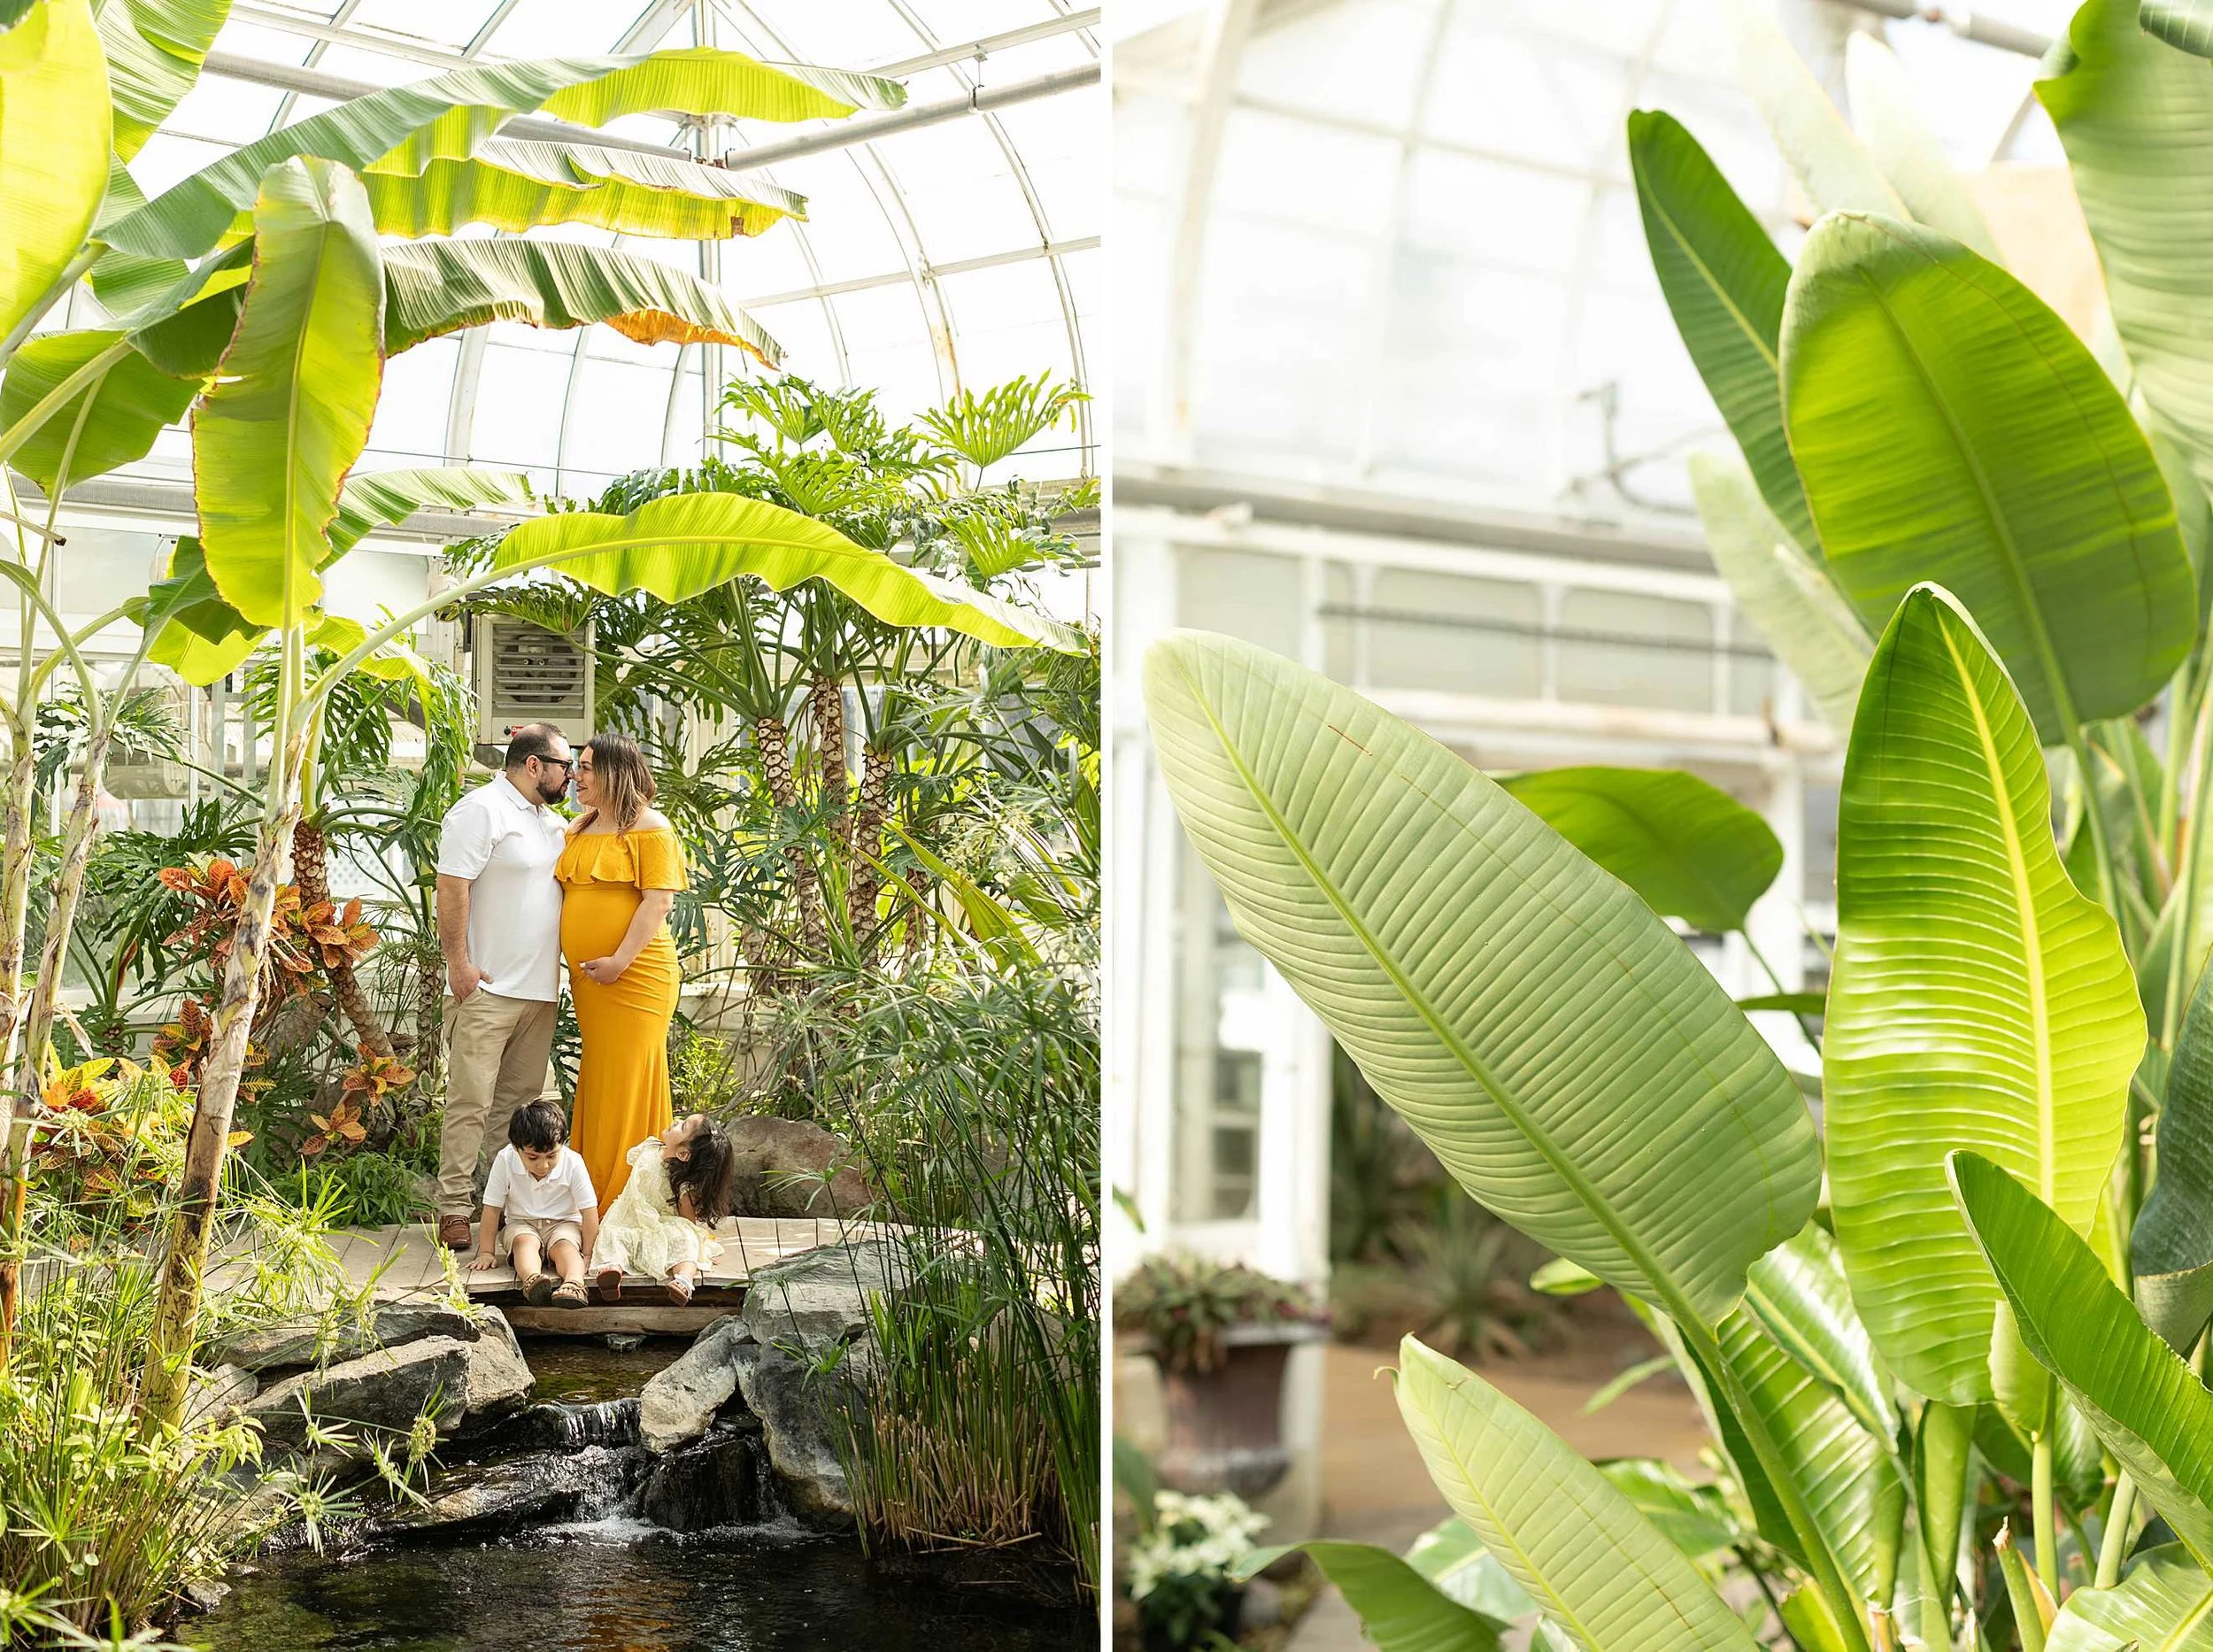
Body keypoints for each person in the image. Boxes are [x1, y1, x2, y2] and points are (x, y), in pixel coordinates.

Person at [432, 723, 573, 1251]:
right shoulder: (480, 810)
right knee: (469, 1101)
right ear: (534, 765)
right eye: (565, 766)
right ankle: (453, 1207)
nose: (572, 775)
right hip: (486, 987)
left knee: (516, 1108)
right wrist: (459, 964)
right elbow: (452, 887)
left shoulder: (550, 822)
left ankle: (499, 1204)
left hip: (540, 991)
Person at [558, 732, 687, 1207]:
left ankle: (625, 1199)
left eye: (587, 767)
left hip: (637, 976)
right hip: (591, 983)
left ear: (614, 772)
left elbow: (659, 903)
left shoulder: (652, 828)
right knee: (602, 1075)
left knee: (630, 1077)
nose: (576, 775)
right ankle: (590, 1193)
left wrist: (618, 961)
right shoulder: (576, 828)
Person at [589, 1112, 736, 1305]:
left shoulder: (680, 1183)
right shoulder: (648, 1148)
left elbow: (687, 1222)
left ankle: (683, 1280)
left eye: (682, 1126)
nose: (677, 1120)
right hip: (628, 1217)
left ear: (684, 1154)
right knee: (613, 1236)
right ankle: (611, 1270)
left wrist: (697, 1242)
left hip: (661, 1225)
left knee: (685, 1239)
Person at [467, 1100, 598, 1309]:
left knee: (566, 1247)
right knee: (524, 1244)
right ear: (516, 1148)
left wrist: (589, 1253)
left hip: (564, 1223)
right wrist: (487, 1252)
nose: (543, 1165)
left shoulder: (573, 1162)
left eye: (551, 1156)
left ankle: (575, 1283)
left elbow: (589, 1211)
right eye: (533, 1157)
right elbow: (492, 1209)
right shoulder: (505, 1160)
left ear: (562, 1144)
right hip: (522, 1223)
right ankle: (533, 1281)